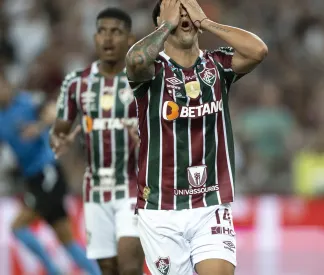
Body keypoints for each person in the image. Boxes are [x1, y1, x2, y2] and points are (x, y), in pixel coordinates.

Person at [125, 0, 268, 274]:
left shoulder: (217, 66)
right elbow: (135, 60)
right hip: (160, 207)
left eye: (188, 10)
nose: (184, 16)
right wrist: (167, 25)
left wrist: (207, 22)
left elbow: (258, 50)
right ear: (160, 23)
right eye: (175, 13)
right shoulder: (152, 72)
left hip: (210, 202)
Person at [50, 8, 144, 275]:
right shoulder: (75, 83)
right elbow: (59, 131)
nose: (108, 38)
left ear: (130, 39)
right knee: (107, 267)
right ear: (94, 37)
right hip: (94, 190)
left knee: (129, 264)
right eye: (102, 31)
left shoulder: (142, 81)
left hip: (133, 187)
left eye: (116, 32)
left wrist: (146, 136)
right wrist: (59, 141)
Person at [0, 75, 100, 275]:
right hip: (32, 179)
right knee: (66, 238)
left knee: (18, 227)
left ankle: (54, 271)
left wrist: (36, 128)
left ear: (6, 83)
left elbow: (54, 112)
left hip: (48, 173)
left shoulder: (27, 101)